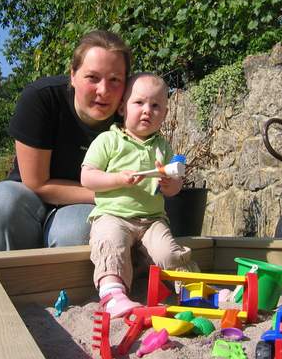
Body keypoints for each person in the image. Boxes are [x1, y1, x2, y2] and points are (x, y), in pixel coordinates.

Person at [0, 30, 131, 250]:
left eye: (115, 80)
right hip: (30, 198)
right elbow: (37, 183)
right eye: (93, 77)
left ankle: (60, 274)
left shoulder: (133, 115)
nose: (104, 90)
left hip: (84, 206)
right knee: (1, 203)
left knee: (76, 230)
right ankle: (17, 270)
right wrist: (111, 195)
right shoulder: (41, 98)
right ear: (73, 75)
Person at [81, 72, 197, 318]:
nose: (147, 110)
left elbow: (175, 188)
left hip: (152, 219)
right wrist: (118, 179)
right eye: (139, 102)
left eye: (156, 106)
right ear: (122, 107)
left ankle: (194, 288)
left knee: (168, 252)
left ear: (164, 114)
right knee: (110, 242)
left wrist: (169, 183)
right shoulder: (108, 140)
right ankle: (113, 295)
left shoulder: (162, 147)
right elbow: (87, 177)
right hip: (113, 215)